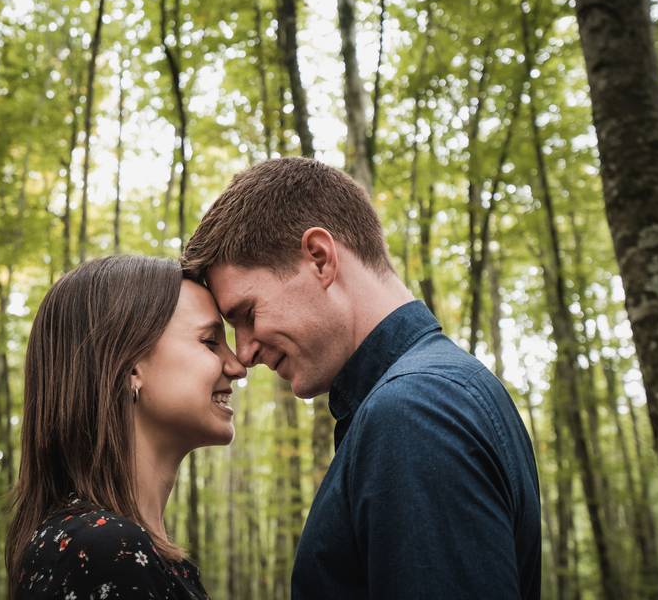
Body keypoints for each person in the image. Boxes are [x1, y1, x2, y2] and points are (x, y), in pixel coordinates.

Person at [182, 157, 541, 599]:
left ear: (319, 257)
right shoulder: (436, 391)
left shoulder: (414, 413)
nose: (245, 351)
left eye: (248, 314)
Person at [6, 255, 246, 599]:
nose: (237, 365)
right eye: (210, 341)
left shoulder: (113, 548)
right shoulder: (102, 549)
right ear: (131, 367)